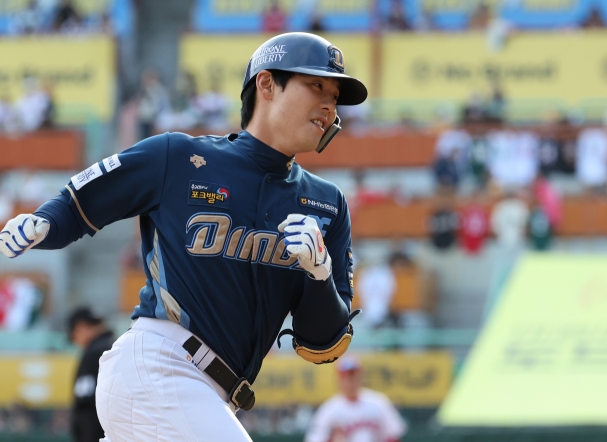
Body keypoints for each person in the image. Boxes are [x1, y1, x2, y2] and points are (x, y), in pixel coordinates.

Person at [0, 32, 367, 442]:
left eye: (335, 95)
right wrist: (43, 222)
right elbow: (80, 202)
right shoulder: (180, 157)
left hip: (209, 398)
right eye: (317, 85)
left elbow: (321, 346)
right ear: (266, 84)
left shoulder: (327, 203)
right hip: (159, 365)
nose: (329, 103)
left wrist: (319, 275)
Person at [304, 355, 407, 442]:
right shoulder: (329, 409)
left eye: (354, 376)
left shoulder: (379, 402)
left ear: (361, 376)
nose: (351, 381)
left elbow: (394, 437)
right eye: (347, 377)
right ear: (339, 380)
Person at [67, 307, 114, 442]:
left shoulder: (94, 353)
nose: (76, 342)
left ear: (80, 327)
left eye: (73, 336)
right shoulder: (115, 346)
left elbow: (87, 409)